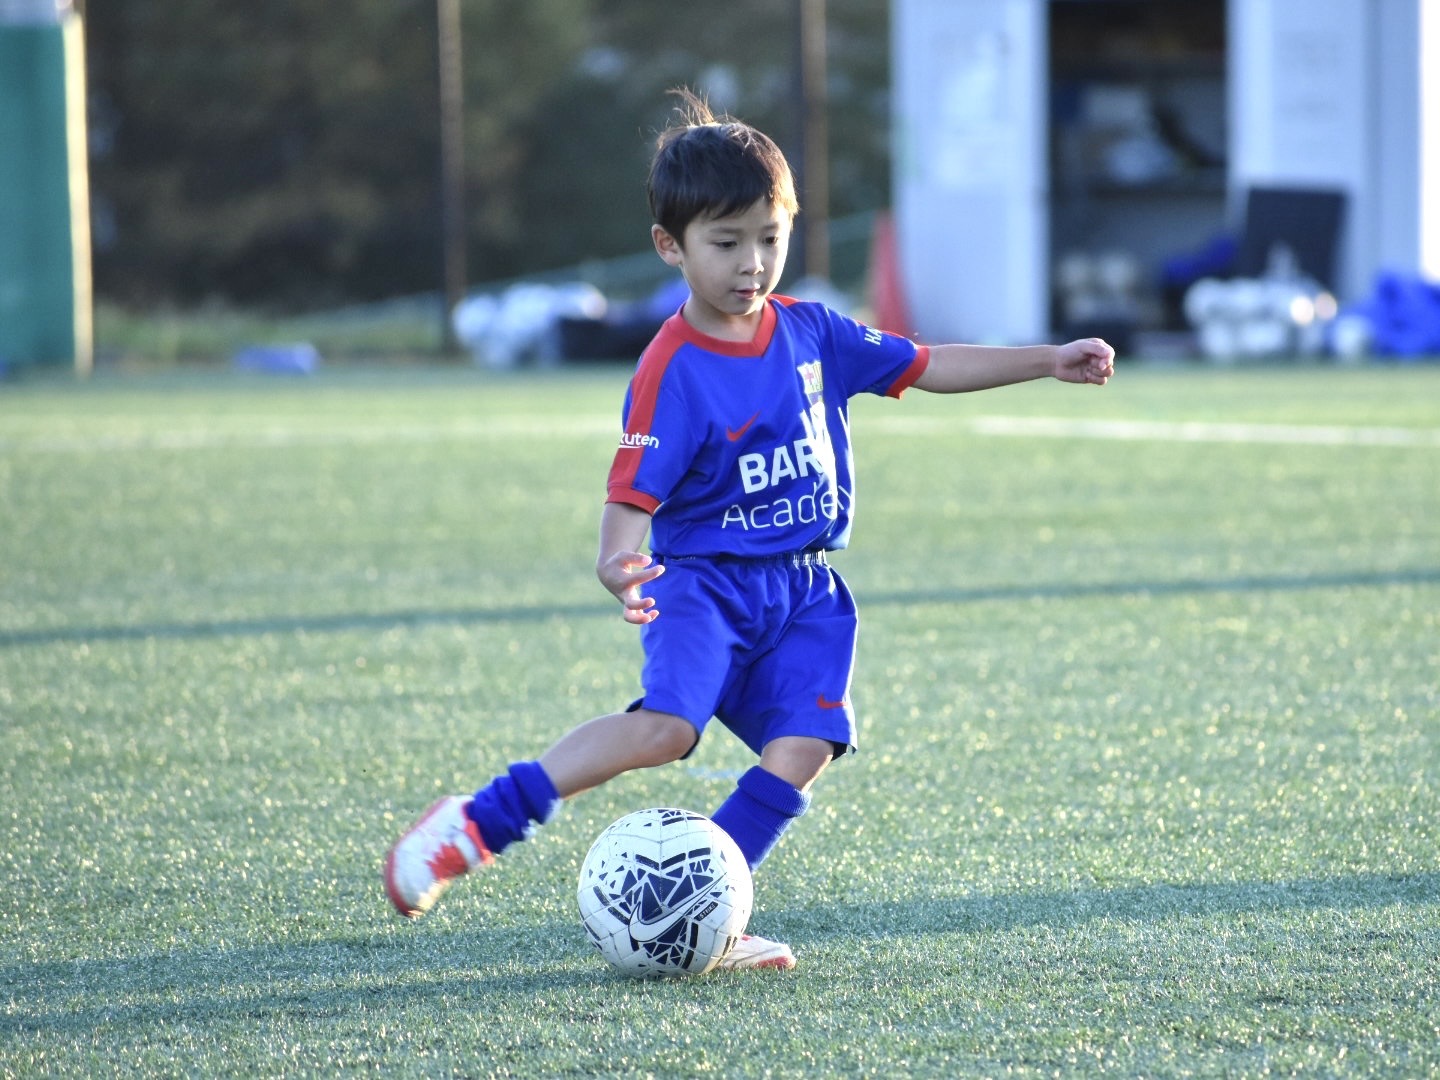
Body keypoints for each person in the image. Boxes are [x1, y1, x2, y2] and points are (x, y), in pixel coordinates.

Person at [384, 90, 1115, 970]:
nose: (752, 263)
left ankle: (709, 916)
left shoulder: (813, 333)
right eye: (726, 243)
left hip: (804, 591)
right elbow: (631, 493)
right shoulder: (671, 368)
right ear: (671, 247)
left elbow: (927, 363)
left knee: (807, 743)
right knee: (666, 732)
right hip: (704, 585)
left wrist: (1047, 359)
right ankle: (473, 826)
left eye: (770, 237)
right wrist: (618, 560)